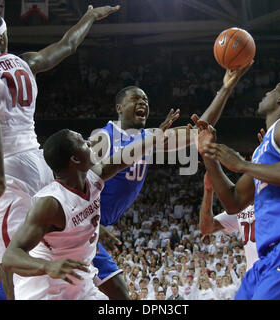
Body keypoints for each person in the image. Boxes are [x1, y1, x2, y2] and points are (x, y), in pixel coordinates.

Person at [0, 5, 120, 298]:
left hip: (9, 167)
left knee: (8, 258)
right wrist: (89, 17)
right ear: (4, 37)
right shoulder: (24, 62)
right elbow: (68, 45)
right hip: (39, 159)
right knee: (49, 239)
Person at [90, 64, 253, 299]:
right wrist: (90, 222)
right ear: (119, 107)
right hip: (83, 225)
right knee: (118, 294)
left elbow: (199, 131)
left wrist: (225, 89)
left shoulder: (148, 138)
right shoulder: (104, 137)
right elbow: (73, 179)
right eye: (135, 99)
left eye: (145, 100)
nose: (143, 103)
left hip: (94, 226)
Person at [196, 78, 280, 300]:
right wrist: (208, 154)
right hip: (270, 257)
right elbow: (234, 201)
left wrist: (241, 164)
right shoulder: (263, 151)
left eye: (273, 90)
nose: (265, 93)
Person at [1, 128, 165, 299]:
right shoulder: (50, 203)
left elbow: (121, 159)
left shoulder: (93, 177)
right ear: (75, 159)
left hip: (81, 285)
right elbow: (10, 257)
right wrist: (48, 266)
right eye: (81, 141)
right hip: (45, 290)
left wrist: (153, 138)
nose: (89, 142)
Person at [200, 172, 258, 272]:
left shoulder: (274, 205)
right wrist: (208, 191)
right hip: (254, 274)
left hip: (276, 271)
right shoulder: (241, 209)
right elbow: (207, 228)